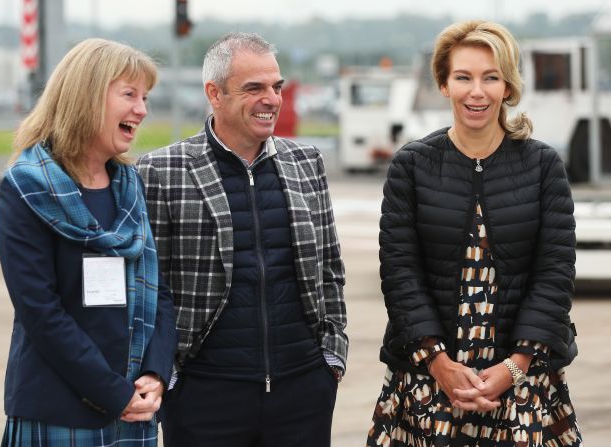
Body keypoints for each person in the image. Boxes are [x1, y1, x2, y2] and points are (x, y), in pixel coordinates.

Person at [367, 21, 582, 446]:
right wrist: (439, 365)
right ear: (444, 85)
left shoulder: (542, 166)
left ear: (508, 86)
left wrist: (513, 368)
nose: (477, 91)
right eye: (463, 77)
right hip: (429, 381)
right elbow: (399, 272)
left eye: (491, 77)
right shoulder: (412, 165)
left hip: (521, 384)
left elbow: (555, 273)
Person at [136, 32, 348, 447]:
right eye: (255, 88)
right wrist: (169, 373)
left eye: (277, 86)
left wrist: (332, 356)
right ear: (214, 93)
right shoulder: (162, 171)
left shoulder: (307, 163)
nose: (271, 99)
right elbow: (149, 288)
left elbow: (330, 269)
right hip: (204, 396)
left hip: (303, 390)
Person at [0, 38, 177, 446]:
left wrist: (155, 374)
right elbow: (41, 312)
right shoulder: (27, 188)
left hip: (134, 407)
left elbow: (158, 293)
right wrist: (114, 394)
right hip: (61, 409)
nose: (142, 110)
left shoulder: (130, 187)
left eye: (145, 97)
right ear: (87, 96)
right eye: (129, 94)